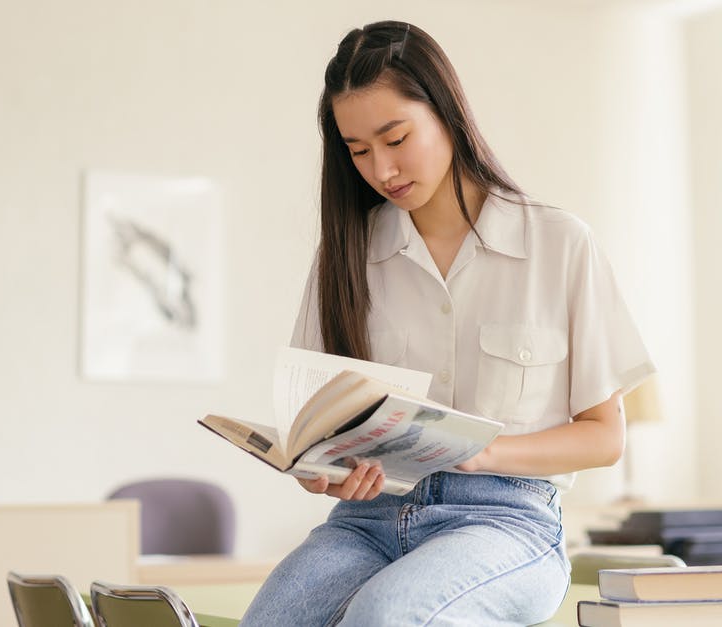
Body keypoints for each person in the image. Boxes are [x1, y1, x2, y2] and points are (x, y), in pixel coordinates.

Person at [240, 20, 655, 627]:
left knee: (389, 616)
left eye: (396, 138)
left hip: (506, 521)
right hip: (368, 521)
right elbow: (316, 434)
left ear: (447, 113)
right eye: (358, 151)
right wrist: (323, 474)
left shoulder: (558, 244)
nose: (382, 169)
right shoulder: (348, 256)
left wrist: (485, 453)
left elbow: (604, 437)